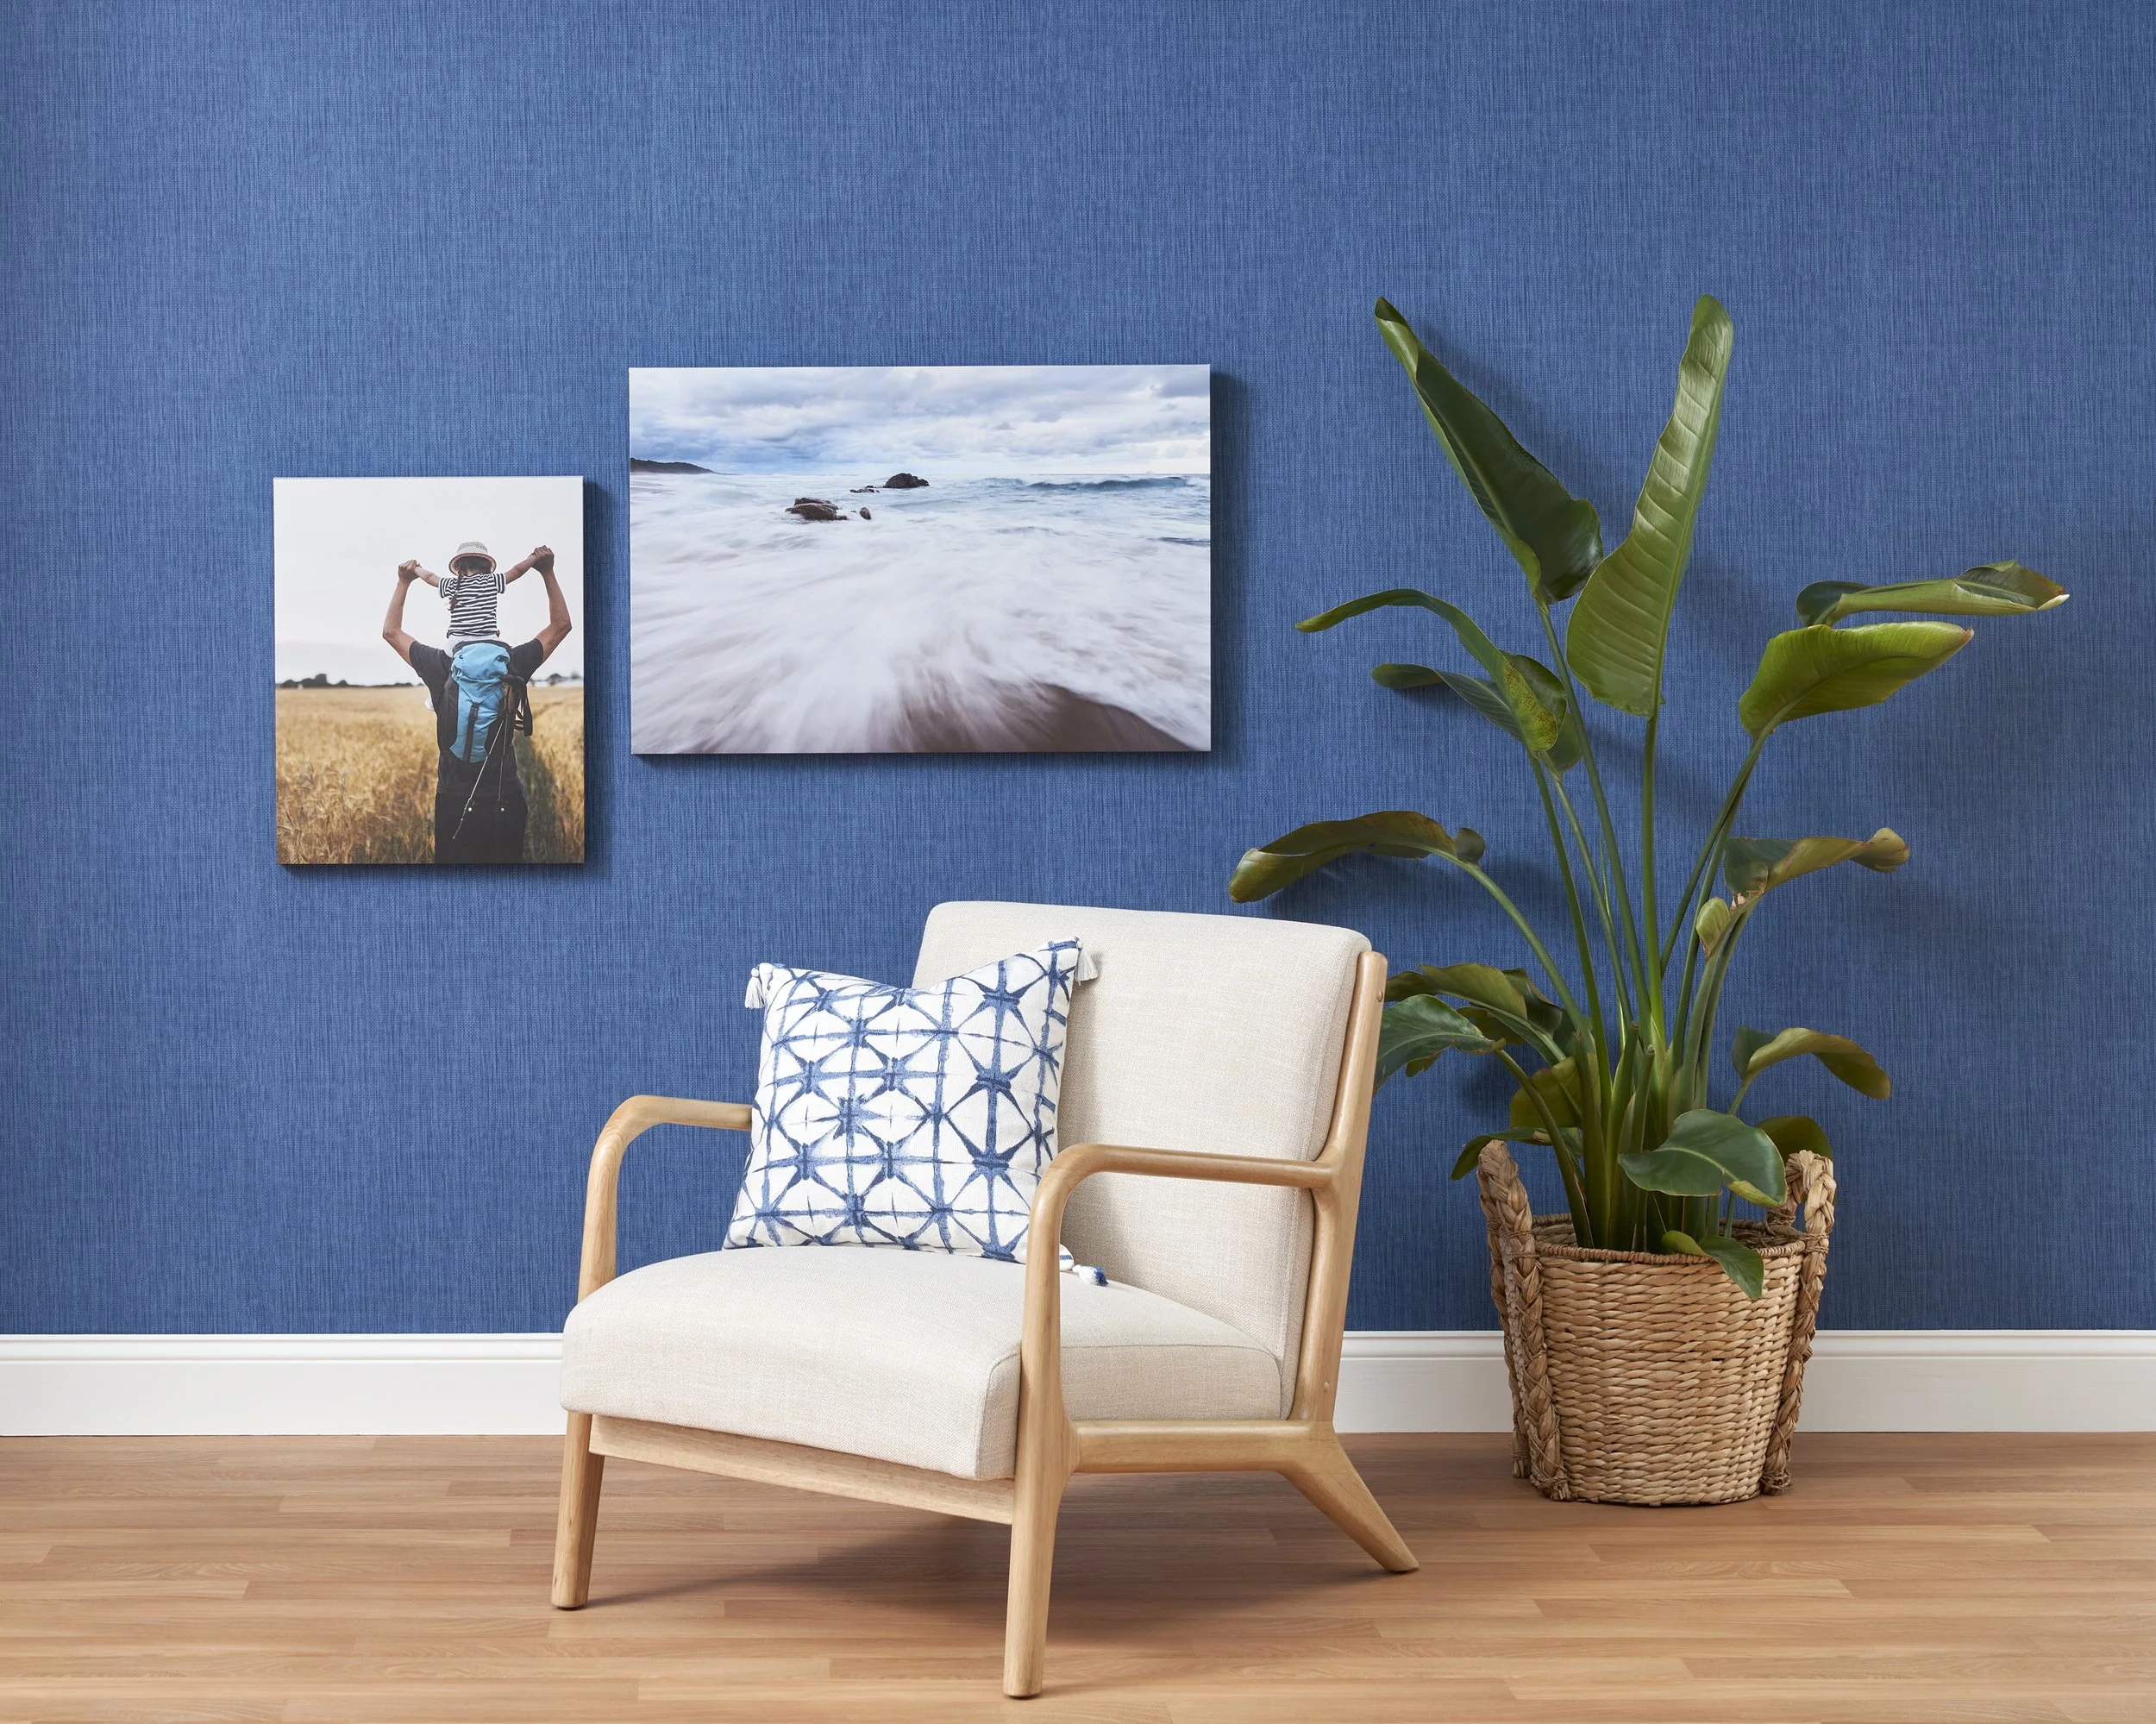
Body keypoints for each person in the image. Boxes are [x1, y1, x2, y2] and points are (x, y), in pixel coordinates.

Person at [382, 545, 573, 864]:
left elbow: (391, 632)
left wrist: (404, 580)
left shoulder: (439, 664)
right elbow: (561, 625)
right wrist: (547, 571)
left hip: (453, 800)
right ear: (495, 632)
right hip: (505, 797)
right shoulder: (511, 662)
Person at [398, 541, 544, 648]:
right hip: (489, 640)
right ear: (487, 565)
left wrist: (416, 569)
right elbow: (517, 571)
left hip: (456, 643)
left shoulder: (451, 584)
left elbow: (430, 577)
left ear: (458, 566)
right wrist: (534, 557)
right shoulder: (492, 580)